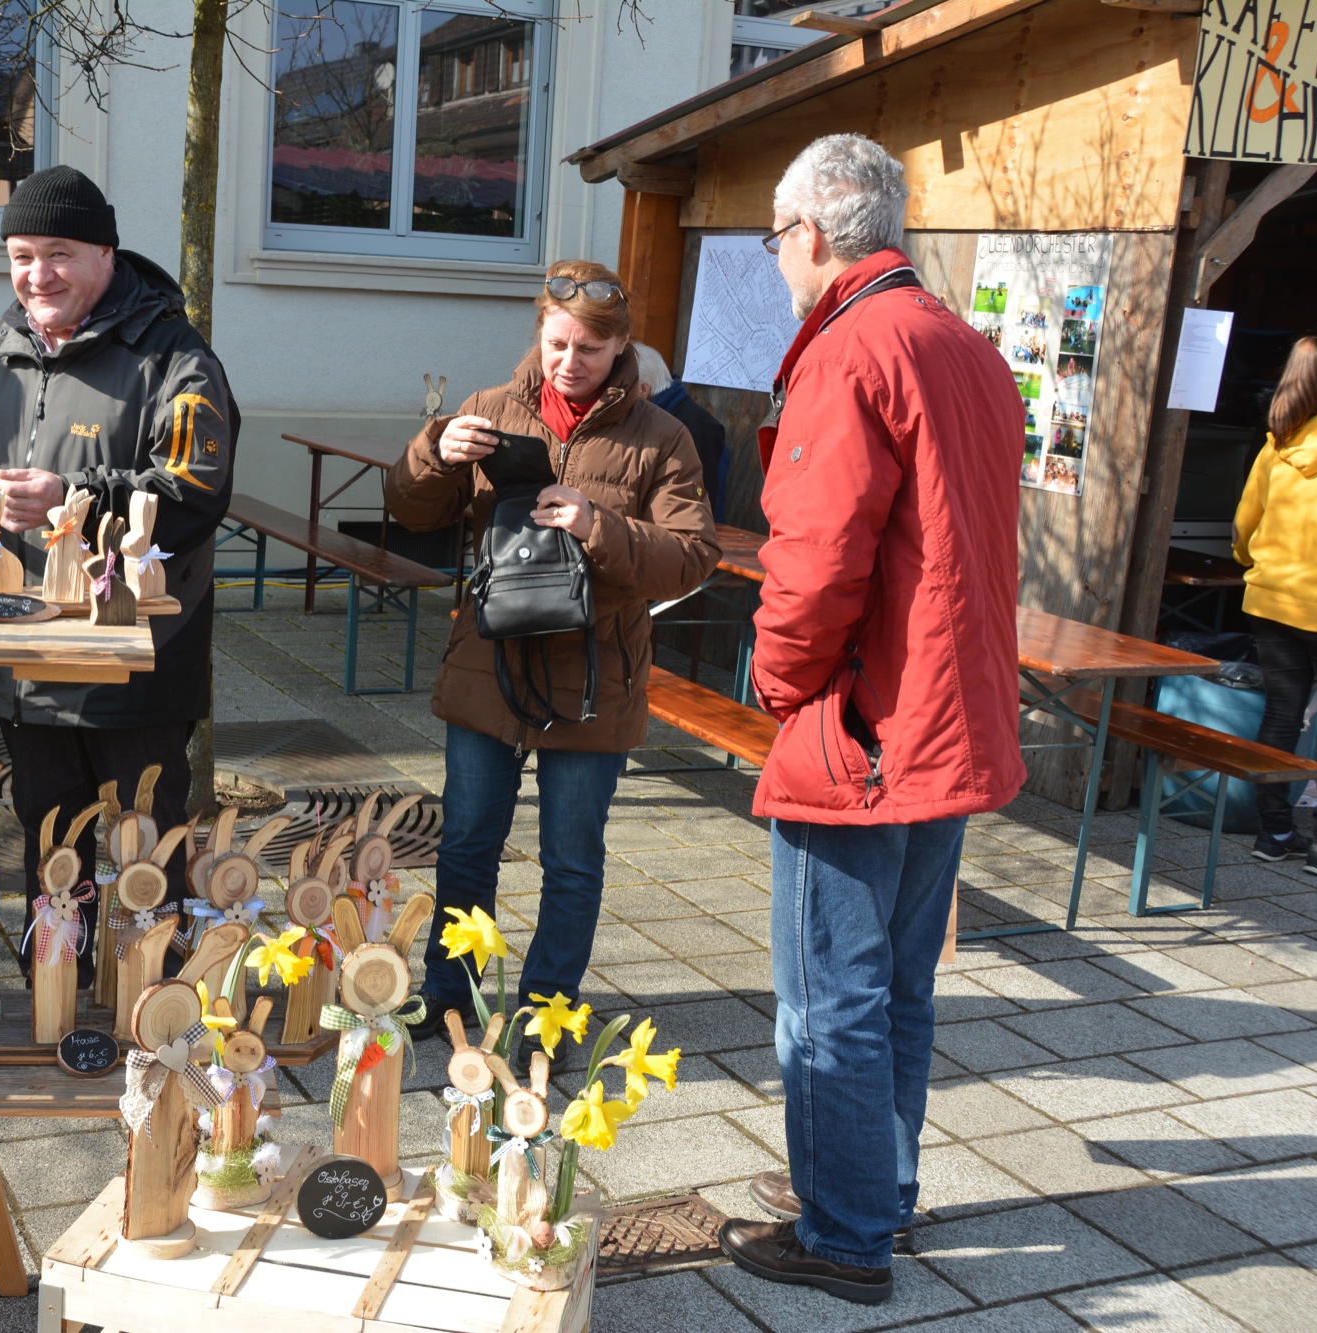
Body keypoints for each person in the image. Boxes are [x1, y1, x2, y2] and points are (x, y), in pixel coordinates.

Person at [712, 135, 1026, 1305]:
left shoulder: (850, 347)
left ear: (805, 233)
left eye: (774, 239)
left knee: (827, 994)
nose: (777, 258)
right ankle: (874, 1192)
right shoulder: (960, 343)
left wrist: (780, 687)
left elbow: (813, 558)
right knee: (895, 984)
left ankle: (842, 1231)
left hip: (866, 718)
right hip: (943, 715)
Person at [385, 260, 719, 1069]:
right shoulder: (488, 410)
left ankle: (547, 1012)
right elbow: (409, 511)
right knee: (467, 841)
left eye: (590, 350)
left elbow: (692, 556)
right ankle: (449, 991)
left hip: (596, 673)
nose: (570, 361)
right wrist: (434, 450)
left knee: (573, 858)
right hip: (489, 661)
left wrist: (597, 523)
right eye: (558, 342)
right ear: (539, 333)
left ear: (621, 349)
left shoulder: (662, 437)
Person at [0, 166, 235, 983]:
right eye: (22, 256)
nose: (38, 276)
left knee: (143, 843)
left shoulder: (174, 354)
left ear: (105, 251)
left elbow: (197, 496)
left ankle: (154, 1009)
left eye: (59, 253)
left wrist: (79, 498)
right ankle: (55, 994)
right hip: (24, 652)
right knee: (50, 840)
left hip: (135, 657)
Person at [1234, 333, 1317, 876]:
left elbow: (1243, 526)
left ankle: (1274, 832)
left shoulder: (1280, 442)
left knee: (1281, 713)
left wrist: (1255, 564)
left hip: (1271, 599)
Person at [632, 341, 728, 521]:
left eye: (624, 385)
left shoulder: (697, 428)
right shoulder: (651, 418)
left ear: (643, 390)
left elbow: (698, 505)